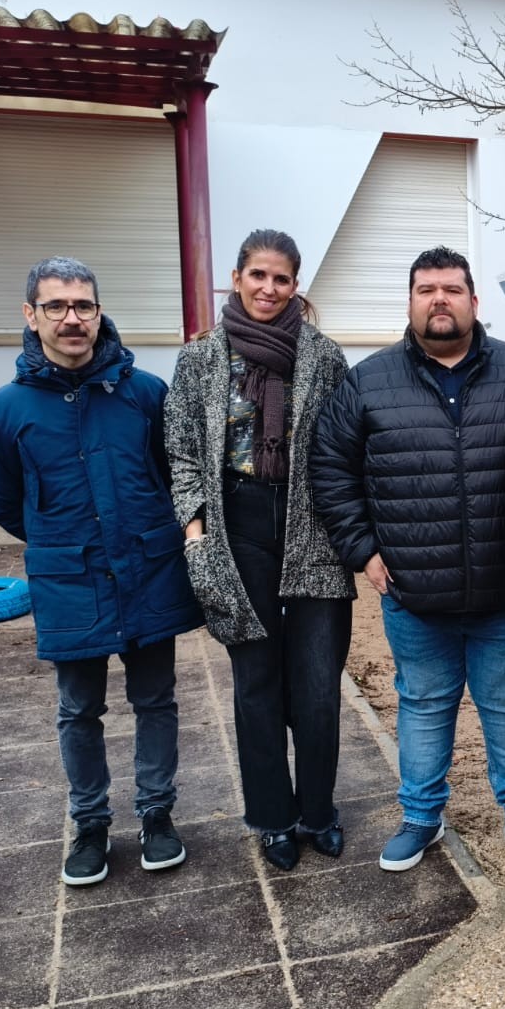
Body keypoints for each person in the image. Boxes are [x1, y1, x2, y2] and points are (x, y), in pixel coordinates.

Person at [310, 246, 505, 873]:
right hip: (414, 594)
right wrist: (363, 550)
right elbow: (331, 469)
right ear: (411, 301)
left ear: (474, 301)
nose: (439, 300)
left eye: (451, 289)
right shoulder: (367, 382)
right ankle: (421, 817)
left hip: (504, 593)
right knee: (423, 707)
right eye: (427, 290)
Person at [0, 256, 202, 887]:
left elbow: (172, 474)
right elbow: (3, 500)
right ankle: (91, 824)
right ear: (31, 315)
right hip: (69, 580)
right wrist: (60, 540)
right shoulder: (5, 410)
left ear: (99, 313)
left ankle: (157, 815)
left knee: (156, 699)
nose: (71, 319)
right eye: (56, 306)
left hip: (148, 570)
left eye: (83, 306)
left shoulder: (145, 394)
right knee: (78, 709)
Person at [164, 230, 355, 871]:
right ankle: (274, 818)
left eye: (281, 279)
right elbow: (182, 451)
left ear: (296, 285)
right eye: (258, 275)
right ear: (237, 278)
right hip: (237, 525)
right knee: (257, 681)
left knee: (318, 683)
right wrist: (196, 535)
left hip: (313, 529)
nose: (269, 289)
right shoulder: (201, 358)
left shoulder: (324, 358)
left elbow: (345, 449)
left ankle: (318, 810)